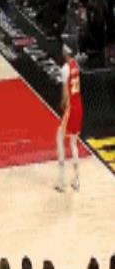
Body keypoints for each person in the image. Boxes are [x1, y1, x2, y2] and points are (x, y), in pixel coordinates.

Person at [55, 45, 83, 192]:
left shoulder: (65, 69)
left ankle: (61, 181)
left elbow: (65, 93)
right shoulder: (76, 65)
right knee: (73, 143)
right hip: (79, 106)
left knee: (59, 137)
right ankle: (76, 180)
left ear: (66, 52)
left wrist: (62, 104)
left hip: (71, 108)